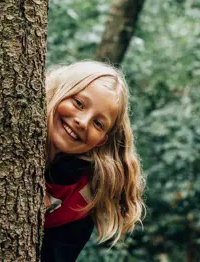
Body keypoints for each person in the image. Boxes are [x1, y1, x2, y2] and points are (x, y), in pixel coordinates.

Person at [41, 61, 145, 262]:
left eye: (98, 123)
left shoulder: (82, 197)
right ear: (58, 90)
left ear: (101, 141)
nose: (83, 122)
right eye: (79, 103)